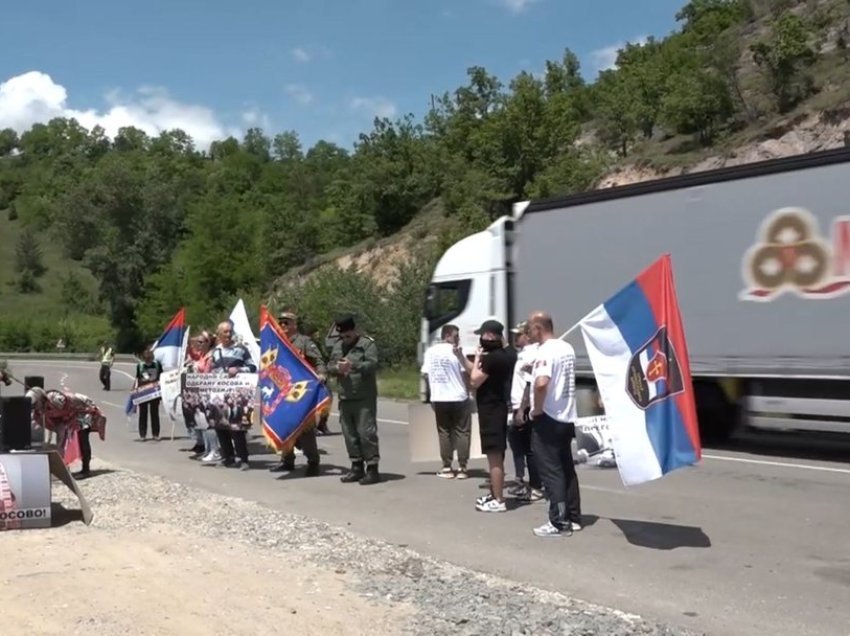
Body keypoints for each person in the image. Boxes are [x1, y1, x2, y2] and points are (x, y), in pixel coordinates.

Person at [526, 311, 582, 537]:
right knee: (566, 468)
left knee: (551, 471)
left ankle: (558, 521)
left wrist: (536, 409)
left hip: (548, 416)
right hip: (566, 415)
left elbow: (541, 383)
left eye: (530, 328)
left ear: (539, 327)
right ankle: (573, 516)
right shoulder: (566, 348)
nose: (528, 332)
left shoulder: (546, 351)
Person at [455, 319, 517, 513]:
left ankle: (498, 499)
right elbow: (479, 370)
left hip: (491, 409)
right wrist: (461, 357)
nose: (482, 339)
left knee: (494, 456)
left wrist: (479, 359)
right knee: (498, 453)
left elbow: (474, 379)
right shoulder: (509, 353)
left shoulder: (492, 358)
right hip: (500, 407)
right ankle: (494, 493)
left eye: (483, 335)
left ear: (491, 335)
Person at [268, 309, 326, 476]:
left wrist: (321, 374)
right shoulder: (277, 343)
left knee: (305, 429)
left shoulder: (304, 342)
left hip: (301, 393)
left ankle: (313, 461)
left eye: (287, 322)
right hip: (281, 392)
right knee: (284, 427)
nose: (283, 325)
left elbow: (318, 361)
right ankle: (287, 460)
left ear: (295, 324)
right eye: (281, 322)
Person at [327, 313, 381, 485]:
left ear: (355, 331)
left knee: (366, 433)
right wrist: (337, 368)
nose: (345, 339)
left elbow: (372, 365)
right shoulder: (338, 346)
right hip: (345, 396)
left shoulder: (366, 344)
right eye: (342, 336)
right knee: (349, 435)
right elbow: (329, 366)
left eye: (348, 335)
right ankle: (356, 467)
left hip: (363, 397)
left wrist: (353, 366)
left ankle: (372, 468)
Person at [421, 323, 471, 479]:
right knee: (462, 431)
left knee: (444, 432)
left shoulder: (431, 351)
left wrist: (432, 391)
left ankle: (447, 467)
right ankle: (462, 468)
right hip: (458, 396)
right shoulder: (457, 352)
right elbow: (465, 373)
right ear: (447, 335)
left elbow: (425, 373)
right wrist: (468, 390)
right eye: (456, 336)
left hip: (440, 397)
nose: (458, 339)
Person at [26, 386, 107, 480]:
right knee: (62, 441)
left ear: (41, 399)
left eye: (35, 405)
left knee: (82, 437)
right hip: (71, 416)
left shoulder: (57, 401)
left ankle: (86, 470)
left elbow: (67, 413)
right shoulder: (41, 409)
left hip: (84, 410)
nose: (35, 408)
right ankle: (64, 468)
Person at [210, 320, 257, 470]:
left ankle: (243, 459)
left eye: (230, 331)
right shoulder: (215, 351)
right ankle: (227, 457)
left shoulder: (241, 349)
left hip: (237, 394)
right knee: (221, 425)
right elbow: (212, 368)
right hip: (220, 393)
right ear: (219, 334)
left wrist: (238, 370)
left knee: (237, 426)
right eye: (225, 332)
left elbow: (252, 367)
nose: (228, 335)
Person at [508, 321, 543, 501]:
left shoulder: (532, 354)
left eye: (519, 334)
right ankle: (526, 483)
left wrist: (521, 409)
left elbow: (530, 384)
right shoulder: (523, 354)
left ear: (527, 336)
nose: (516, 338)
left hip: (526, 407)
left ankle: (536, 487)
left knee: (530, 449)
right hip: (519, 406)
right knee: (521, 446)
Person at [134, 347, 163, 441]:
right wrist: (135, 392)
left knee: (154, 413)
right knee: (143, 413)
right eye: (146, 359)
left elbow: (161, 377)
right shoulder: (140, 366)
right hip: (143, 391)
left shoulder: (157, 365)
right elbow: (138, 378)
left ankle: (155, 434)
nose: (148, 361)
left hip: (155, 391)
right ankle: (143, 434)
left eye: (149, 359)